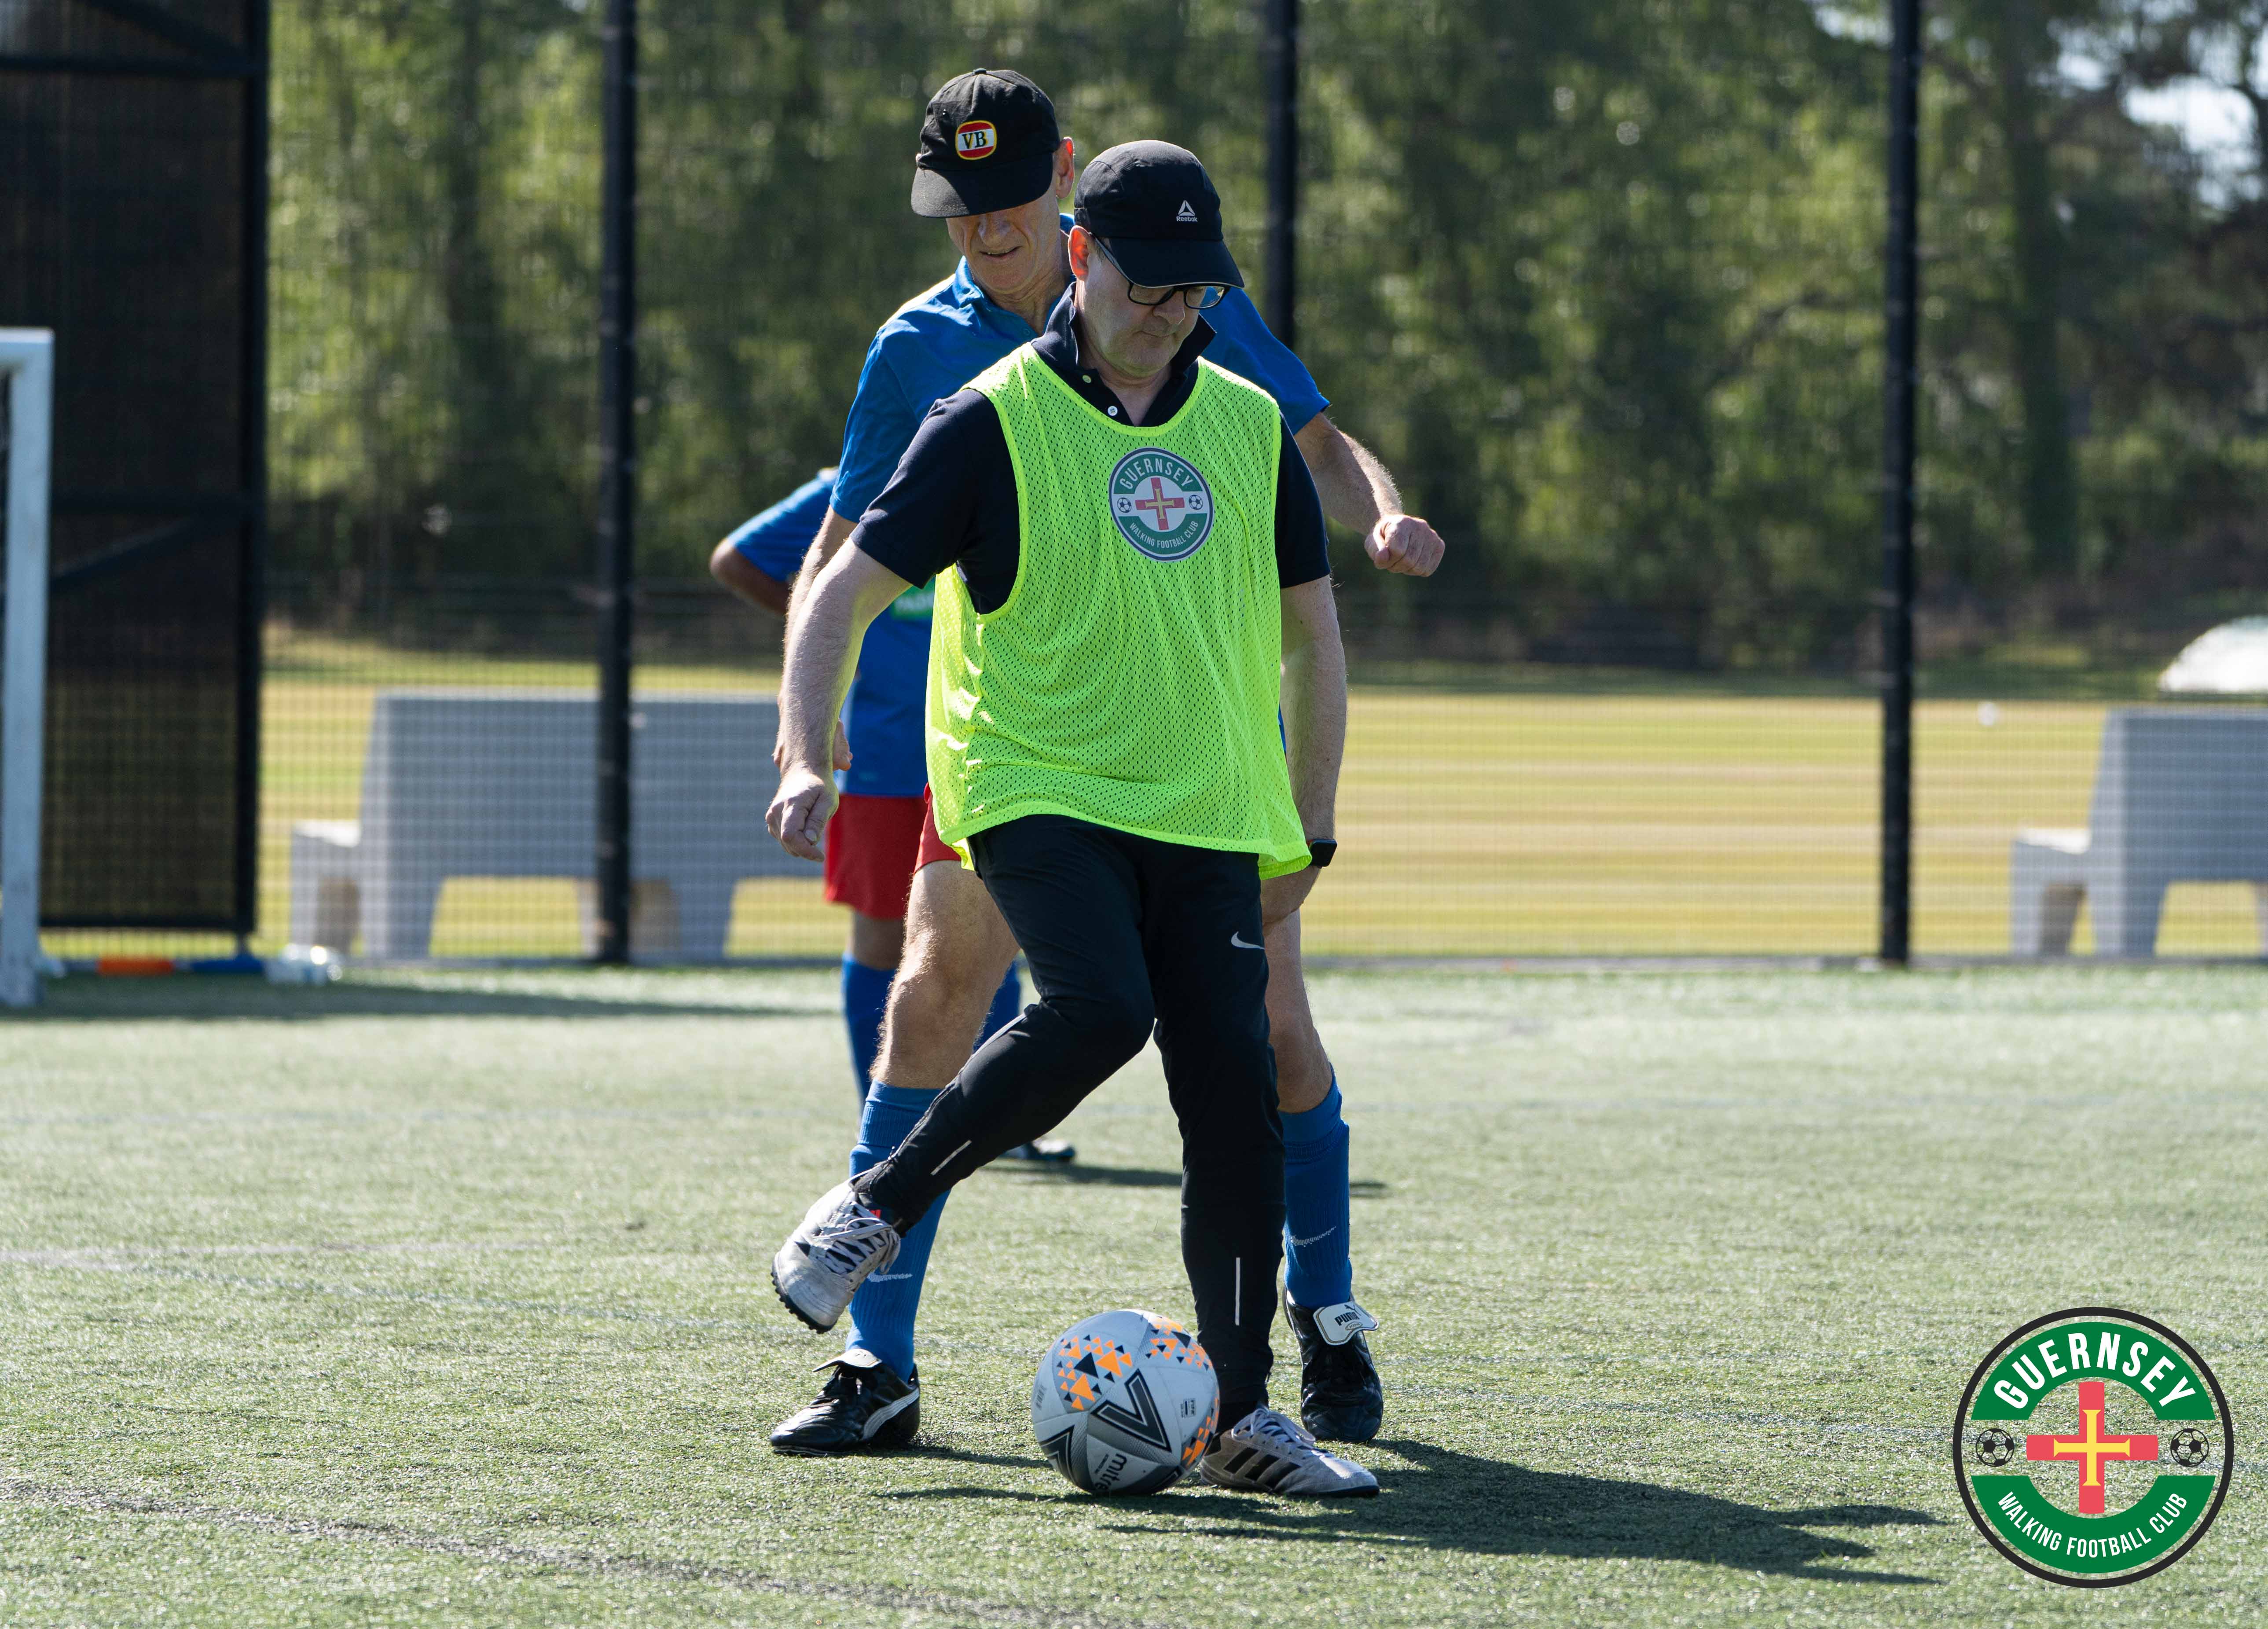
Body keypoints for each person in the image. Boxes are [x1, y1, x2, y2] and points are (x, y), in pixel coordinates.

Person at [767, 67, 1444, 1457]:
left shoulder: (1202, 314)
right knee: (941, 999)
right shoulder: (931, 360)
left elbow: (1314, 462)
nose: (983, 230)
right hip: (1017, 750)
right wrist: (802, 735)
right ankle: (874, 1356)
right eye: (958, 209)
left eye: (1005, 200)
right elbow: (842, 554)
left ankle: (1315, 1326)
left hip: (1202, 763)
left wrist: (1380, 514)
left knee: (1263, 1046)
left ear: (1063, 185)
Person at [709, 472, 1061, 1159]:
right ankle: (886, 1123)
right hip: (883, 755)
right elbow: (737, 560)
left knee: (996, 931)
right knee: (878, 936)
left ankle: (996, 1126)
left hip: (994, 750)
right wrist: (831, 636)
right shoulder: (862, 478)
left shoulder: (1015, 456)